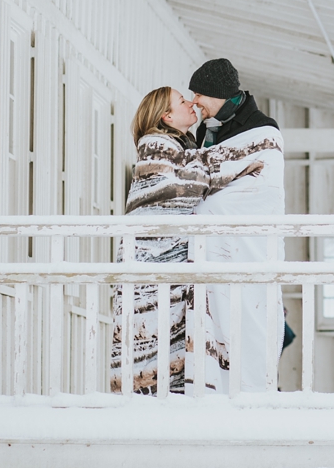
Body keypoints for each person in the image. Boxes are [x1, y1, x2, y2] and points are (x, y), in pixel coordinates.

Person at [110, 86, 279, 396]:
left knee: (168, 357)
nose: (192, 104)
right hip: (149, 275)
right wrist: (244, 158)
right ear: (167, 115)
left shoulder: (179, 146)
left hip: (167, 275)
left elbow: (198, 165)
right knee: (147, 356)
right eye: (183, 101)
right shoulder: (154, 146)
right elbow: (187, 186)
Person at [189, 58, 288, 391]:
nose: (194, 101)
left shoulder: (262, 130)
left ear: (217, 94)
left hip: (248, 246)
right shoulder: (208, 128)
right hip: (209, 253)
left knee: (250, 322)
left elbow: (264, 189)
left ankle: (253, 391)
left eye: (198, 94)